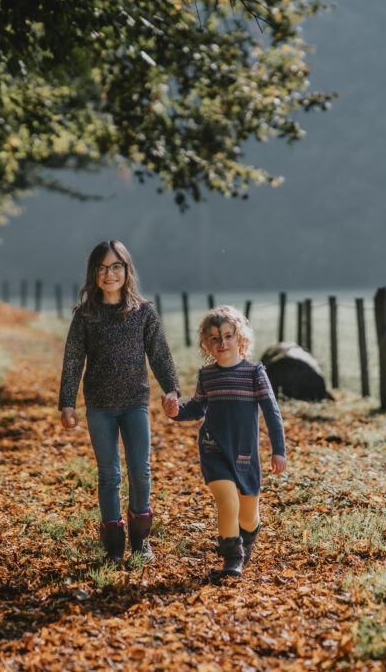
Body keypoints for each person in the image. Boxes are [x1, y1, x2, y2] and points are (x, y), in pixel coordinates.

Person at [59, 240, 180, 564]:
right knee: (109, 474)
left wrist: (172, 390)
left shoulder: (143, 312)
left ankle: (141, 540)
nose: (109, 274)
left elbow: (160, 355)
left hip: (135, 404)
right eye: (102, 268)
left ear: (126, 270)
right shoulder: (85, 316)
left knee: (140, 470)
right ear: (93, 274)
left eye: (115, 267)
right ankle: (113, 544)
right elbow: (73, 360)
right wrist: (67, 403)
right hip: (99, 407)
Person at [163, 305, 287, 578]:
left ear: (240, 339)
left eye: (228, 336)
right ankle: (232, 558)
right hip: (213, 448)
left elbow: (272, 413)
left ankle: (250, 533)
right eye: (215, 338)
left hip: (246, 455)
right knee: (227, 501)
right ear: (207, 343)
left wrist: (279, 450)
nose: (222, 343)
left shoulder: (255, 373)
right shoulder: (207, 376)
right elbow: (197, 409)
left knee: (246, 516)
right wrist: (175, 412)